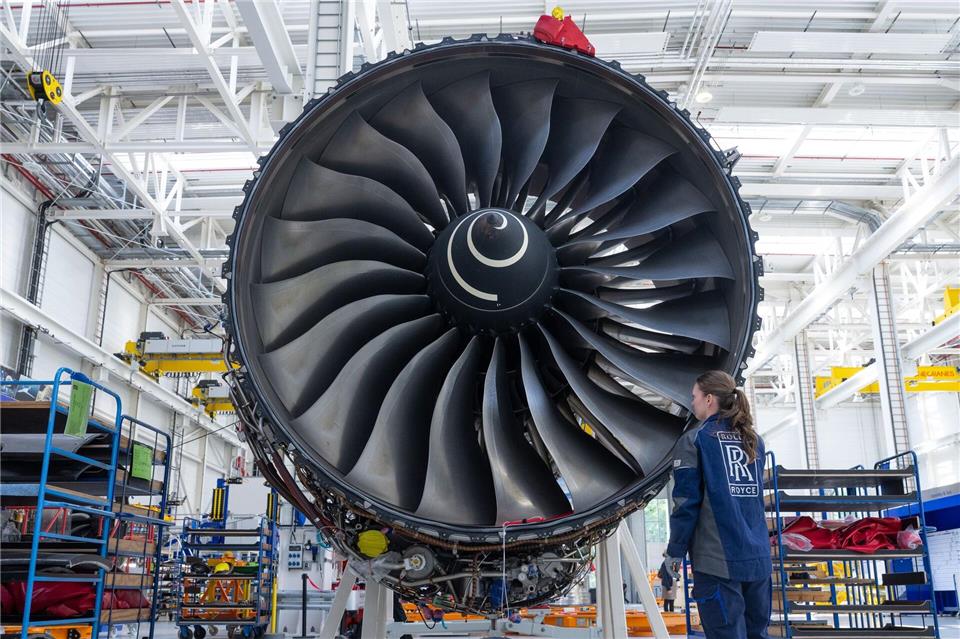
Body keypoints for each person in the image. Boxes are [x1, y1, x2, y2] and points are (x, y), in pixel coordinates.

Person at [660, 370, 771, 639]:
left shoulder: (694, 441)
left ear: (709, 399)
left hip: (718, 564)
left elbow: (686, 504)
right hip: (758, 561)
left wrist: (674, 555)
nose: (693, 402)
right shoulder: (754, 441)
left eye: (694, 396)